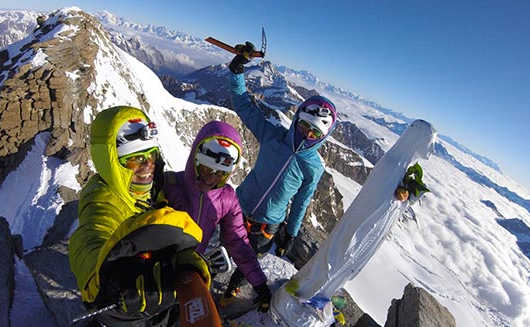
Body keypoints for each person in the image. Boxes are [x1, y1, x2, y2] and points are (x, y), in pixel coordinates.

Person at [68, 106, 210, 327]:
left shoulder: (148, 191)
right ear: (112, 161)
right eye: (135, 160)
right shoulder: (102, 199)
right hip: (124, 310)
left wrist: (183, 259)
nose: (147, 167)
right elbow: (90, 239)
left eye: (151, 157)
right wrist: (112, 279)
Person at [222, 43, 338, 302]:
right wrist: (237, 71)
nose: (308, 134)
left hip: (267, 224)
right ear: (297, 119)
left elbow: (302, 200)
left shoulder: (313, 167)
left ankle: (232, 287)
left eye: (316, 133)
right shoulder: (272, 135)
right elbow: (244, 105)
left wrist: (291, 232)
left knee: (248, 262)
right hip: (238, 206)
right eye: (306, 126)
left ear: (324, 136)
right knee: (221, 246)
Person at [163, 120, 271, 311]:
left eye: (220, 174)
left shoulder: (227, 198)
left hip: (194, 272)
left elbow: (237, 242)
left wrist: (259, 284)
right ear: (195, 161)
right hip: (160, 270)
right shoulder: (170, 185)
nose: (210, 178)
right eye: (206, 169)